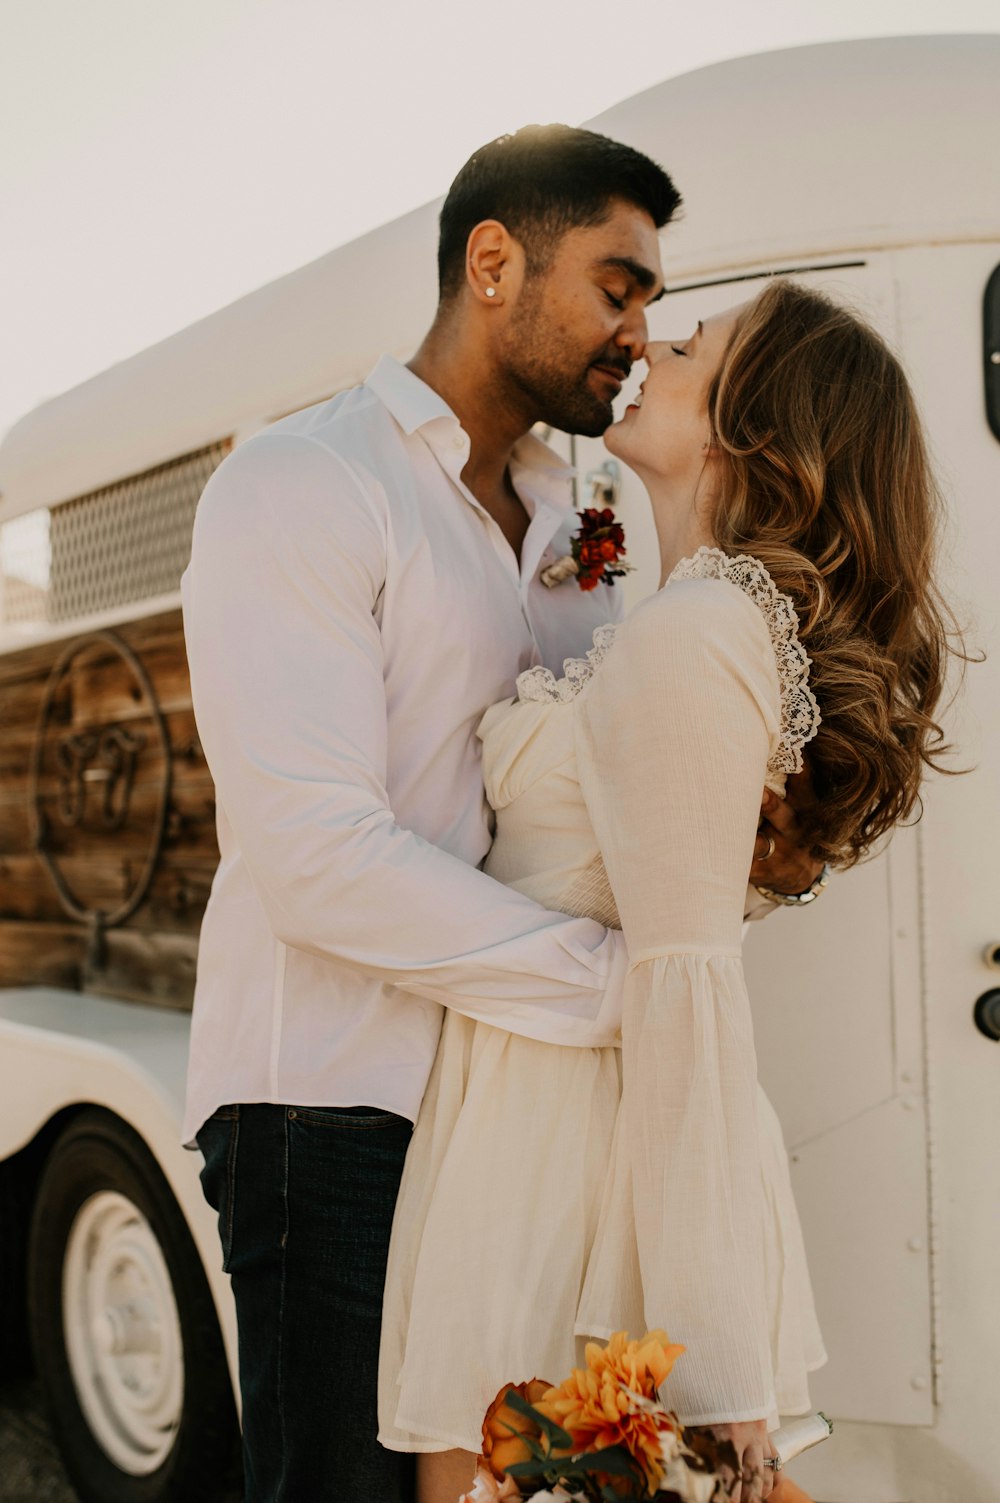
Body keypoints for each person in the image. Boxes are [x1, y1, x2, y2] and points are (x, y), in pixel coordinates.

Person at [182, 126, 822, 1503]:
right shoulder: (306, 483)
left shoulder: (573, 510)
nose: (639, 333)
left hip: (515, 1133)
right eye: (617, 285)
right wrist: (625, 989)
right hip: (336, 1109)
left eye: (654, 302)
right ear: (492, 264)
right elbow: (313, 858)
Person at [377, 280, 959, 1503]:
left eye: (694, 345)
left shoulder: (696, 636)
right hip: (556, 1135)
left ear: (752, 421)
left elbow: (686, 988)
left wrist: (718, 1383)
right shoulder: (690, 620)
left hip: (579, 1169)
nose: (655, 344)